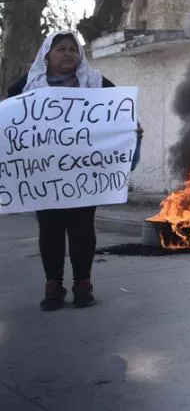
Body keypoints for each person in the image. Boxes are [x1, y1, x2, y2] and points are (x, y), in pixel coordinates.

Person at [6, 31, 141, 311]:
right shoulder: (27, 86)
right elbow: (9, 119)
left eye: (73, 49)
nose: (68, 54)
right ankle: (53, 285)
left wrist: (131, 131)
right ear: (47, 55)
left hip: (84, 175)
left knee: (82, 229)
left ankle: (83, 283)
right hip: (43, 175)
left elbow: (119, 111)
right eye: (61, 49)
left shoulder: (96, 83)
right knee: (50, 229)